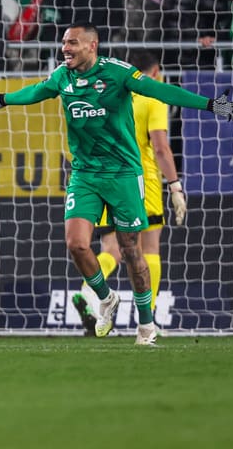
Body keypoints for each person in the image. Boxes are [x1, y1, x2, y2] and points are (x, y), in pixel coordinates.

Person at [0, 22, 233, 345]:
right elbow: (38, 91)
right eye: (64, 43)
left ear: (92, 46)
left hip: (123, 175)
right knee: (76, 244)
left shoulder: (118, 72)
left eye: (73, 43)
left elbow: (160, 90)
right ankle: (106, 299)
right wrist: (4, 99)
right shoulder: (63, 76)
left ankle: (146, 325)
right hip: (85, 175)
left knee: (131, 250)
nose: (65, 48)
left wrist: (209, 104)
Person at [71, 51, 186, 335]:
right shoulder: (152, 99)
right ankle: (148, 319)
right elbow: (160, 147)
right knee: (148, 250)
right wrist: (174, 186)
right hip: (141, 182)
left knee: (112, 250)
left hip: (102, 179)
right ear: (156, 72)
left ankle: (89, 290)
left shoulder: (109, 93)